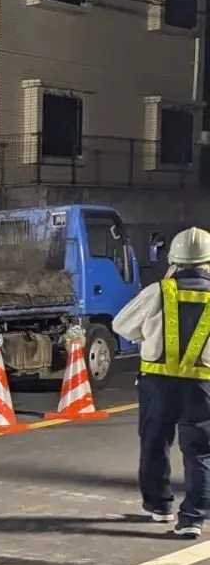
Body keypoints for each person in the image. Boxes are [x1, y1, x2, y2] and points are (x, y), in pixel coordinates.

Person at [112, 225, 210, 540]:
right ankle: (193, 518)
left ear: (174, 260)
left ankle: (159, 506)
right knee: (201, 451)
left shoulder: (160, 291)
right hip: (203, 385)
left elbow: (121, 325)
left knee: (155, 442)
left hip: (158, 382)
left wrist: (150, 334)